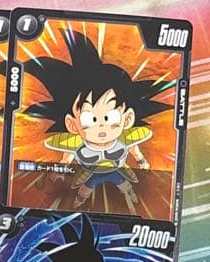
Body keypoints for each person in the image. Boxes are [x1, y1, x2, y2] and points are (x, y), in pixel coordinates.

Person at [25, 30, 170, 211]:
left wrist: (141, 161)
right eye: (90, 119)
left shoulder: (125, 138)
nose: (101, 126)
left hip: (117, 171)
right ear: (72, 124)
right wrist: (59, 171)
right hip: (91, 174)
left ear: (128, 118)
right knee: (84, 192)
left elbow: (134, 147)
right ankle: (78, 205)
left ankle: (131, 196)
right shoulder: (76, 142)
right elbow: (67, 156)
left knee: (125, 186)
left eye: (110, 117)